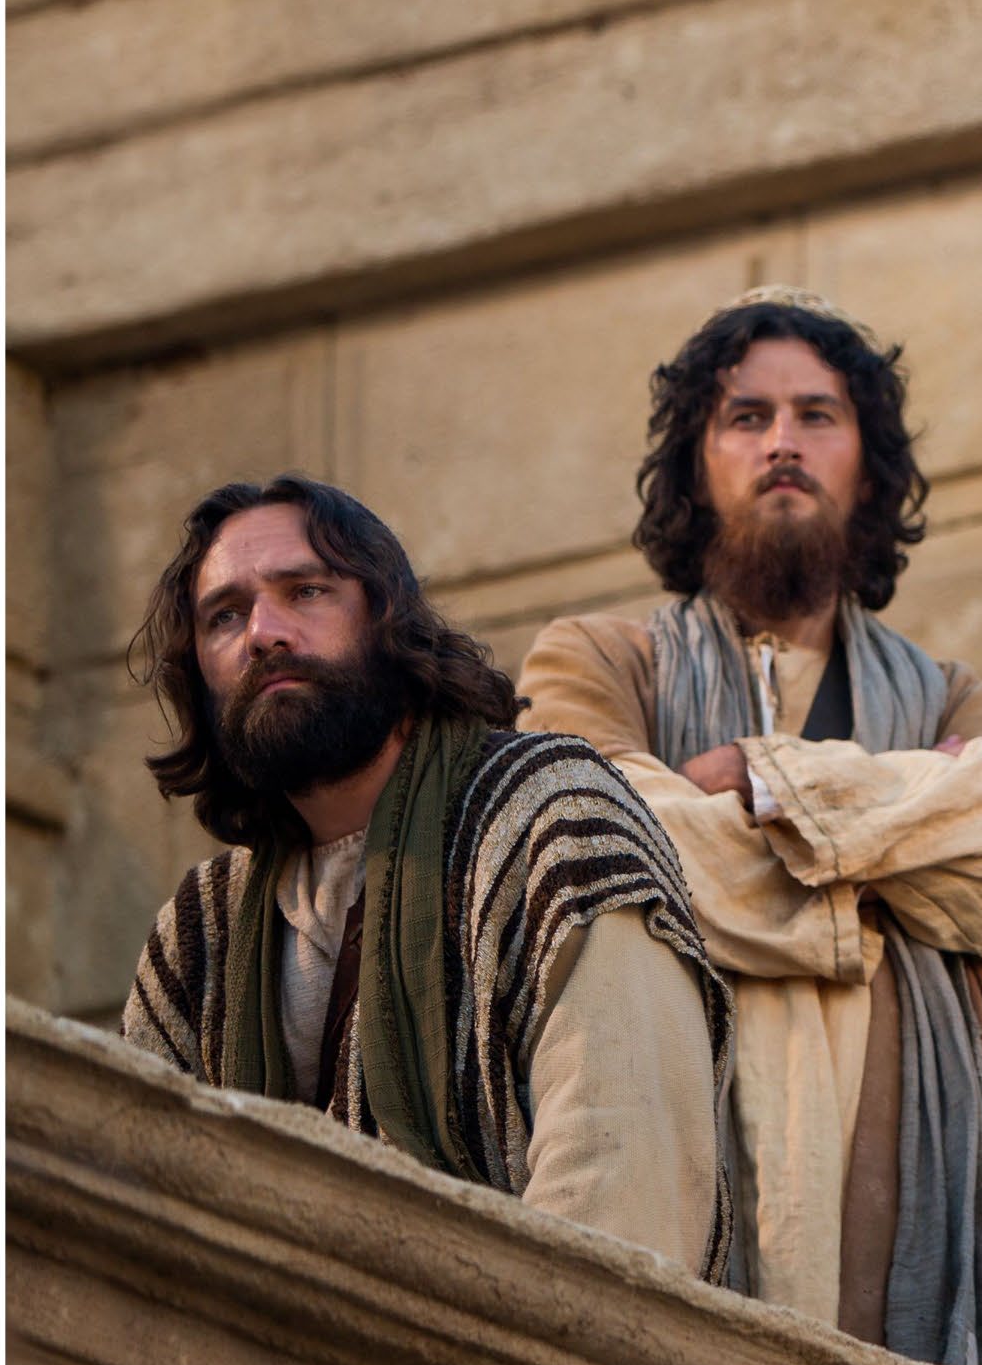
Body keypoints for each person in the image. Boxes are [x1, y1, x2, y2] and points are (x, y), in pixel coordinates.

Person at [520, 288, 982, 1365]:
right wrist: (887, 849)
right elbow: (614, 836)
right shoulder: (595, 663)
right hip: (687, 1150)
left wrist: (765, 783)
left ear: (869, 468)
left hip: (916, 1179)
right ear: (697, 466)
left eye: (818, 415)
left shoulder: (949, 694)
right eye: (747, 417)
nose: (784, 441)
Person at [122, 475, 730, 1277]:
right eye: (224, 615)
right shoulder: (200, 937)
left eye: (307, 591)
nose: (264, 632)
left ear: (386, 618)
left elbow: (621, 1187)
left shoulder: (552, 817)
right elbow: (139, 1222)